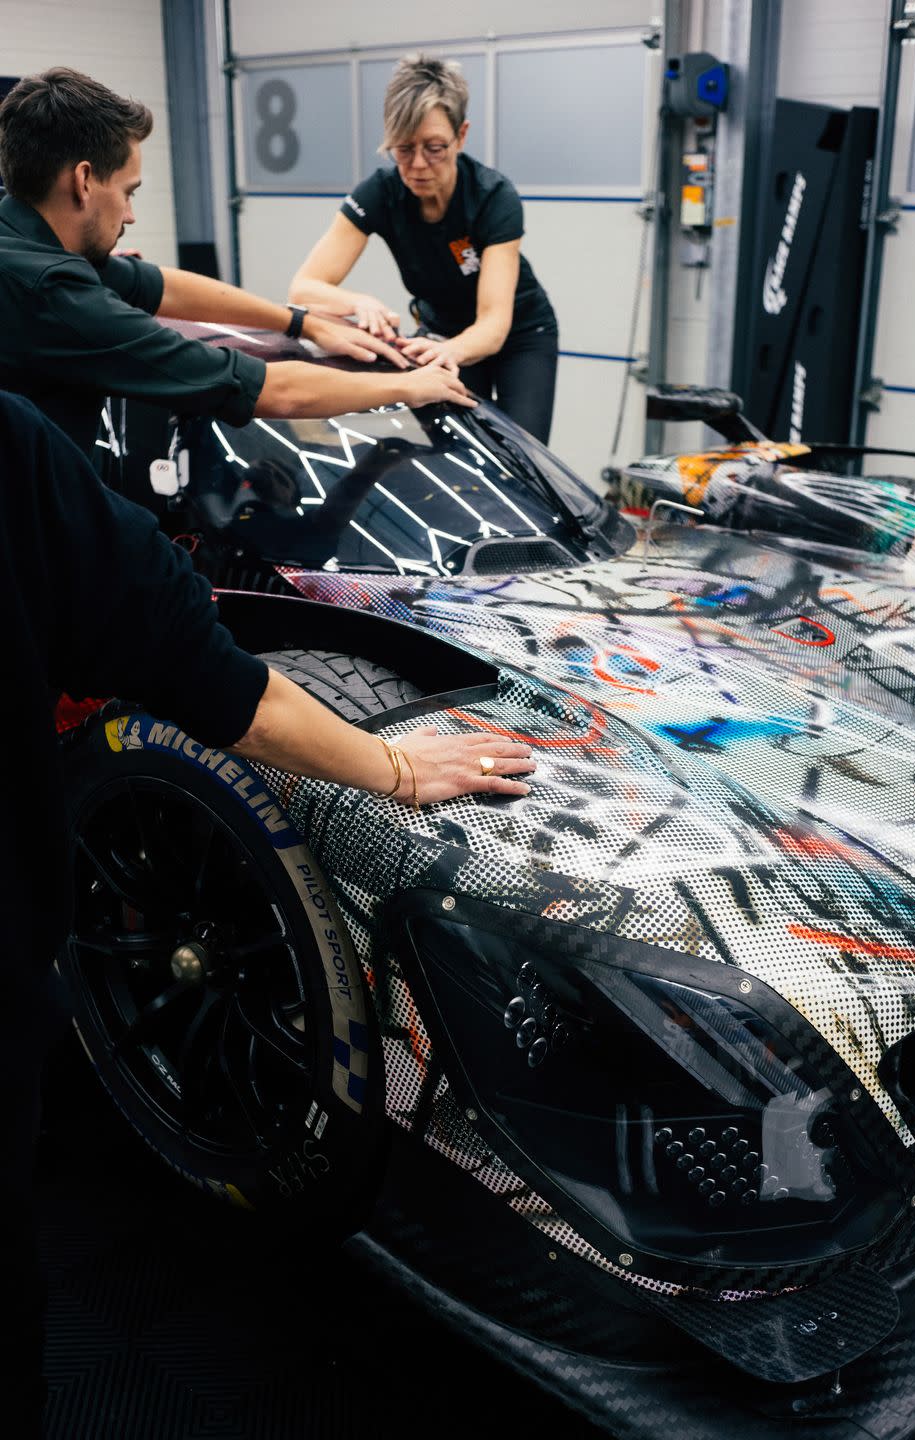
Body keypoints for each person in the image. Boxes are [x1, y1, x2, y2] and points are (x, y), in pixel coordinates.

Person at [0, 390, 534, 1435]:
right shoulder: (20, 434)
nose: (129, 209)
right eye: (119, 204)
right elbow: (205, 674)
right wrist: (388, 764)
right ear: (76, 206)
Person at [0, 67, 473, 460]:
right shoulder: (51, 292)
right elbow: (270, 390)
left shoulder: (27, 238)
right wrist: (408, 387)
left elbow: (163, 287)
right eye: (128, 192)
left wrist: (301, 322)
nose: (130, 215)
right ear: (84, 180)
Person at [288, 54, 559, 444]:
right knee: (452, 444)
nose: (417, 165)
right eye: (403, 148)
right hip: (440, 330)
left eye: (434, 148)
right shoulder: (380, 193)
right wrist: (356, 302)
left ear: (461, 136)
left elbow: (493, 326)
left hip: (519, 332)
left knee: (522, 450)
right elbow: (304, 287)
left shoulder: (493, 197)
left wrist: (451, 351)